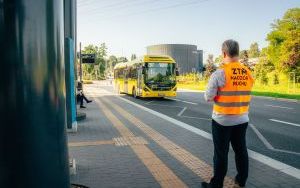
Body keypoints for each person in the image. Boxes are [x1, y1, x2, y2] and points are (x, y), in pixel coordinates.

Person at [202, 40, 254, 188]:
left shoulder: (219, 74)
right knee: (241, 150)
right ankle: (241, 180)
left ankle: (217, 184)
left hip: (222, 120)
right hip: (242, 118)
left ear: (224, 53)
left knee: (221, 153)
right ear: (237, 53)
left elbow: (208, 97)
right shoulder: (248, 72)